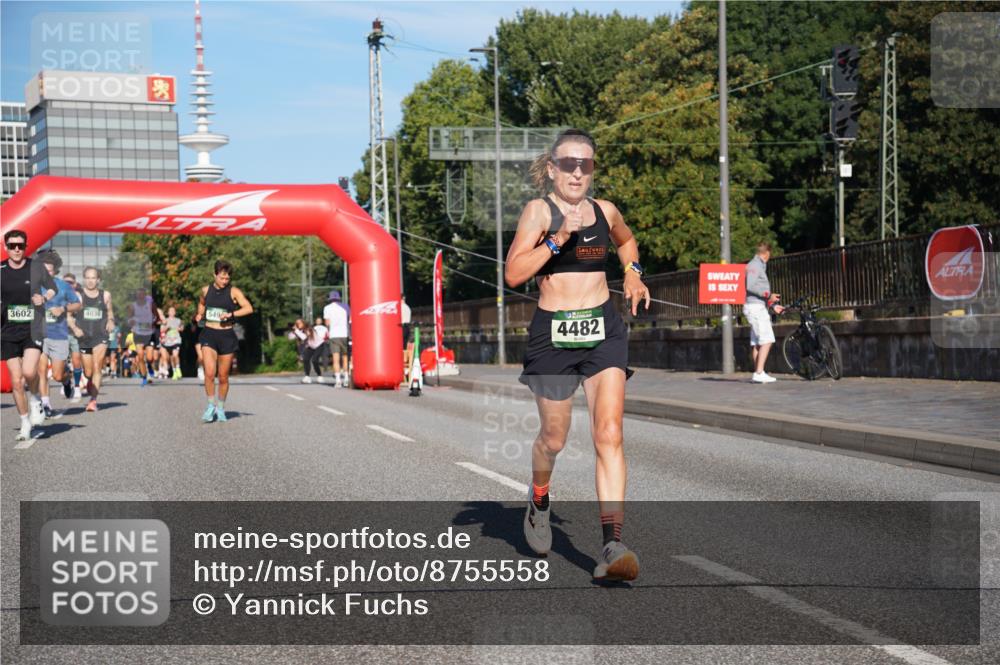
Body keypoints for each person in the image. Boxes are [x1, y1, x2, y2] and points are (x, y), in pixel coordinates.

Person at [504, 129, 650, 582]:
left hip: (603, 330)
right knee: (554, 437)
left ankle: (612, 544)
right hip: (553, 335)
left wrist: (633, 273)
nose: (577, 172)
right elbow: (513, 273)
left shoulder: (606, 212)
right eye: (568, 163)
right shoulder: (538, 212)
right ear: (552, 168)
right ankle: (539, 500)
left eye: (585, 163)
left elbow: (626, 243)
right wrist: (555, 240)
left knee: (609, 433)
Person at [1, 230, 58, 440]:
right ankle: (25, 422)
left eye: (20, 246)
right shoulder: (1, 270)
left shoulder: (35, 267)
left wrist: (44, 298)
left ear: (26, 247)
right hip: (7, 330)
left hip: (33, 328)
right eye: (13, 245)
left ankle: (35, 399)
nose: (17, 249)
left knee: (29, 372)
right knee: (16, 382)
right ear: (6, 247)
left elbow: (53, 289)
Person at [195, 260, 253, 423]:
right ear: (214, 275)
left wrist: (231, 315)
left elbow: (248, 308)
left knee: (223, 377)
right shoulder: (205, 290)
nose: (225, 281)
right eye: (222, 278)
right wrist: (200, 315)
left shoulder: (234, 292)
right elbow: (201, 305)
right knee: (209, 373)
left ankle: (220, 407)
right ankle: (210, 405)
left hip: (226, 335)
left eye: (227, 278)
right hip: (209, 334)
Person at [36, 251, 81, 418]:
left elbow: (77, 305)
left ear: (55, 271)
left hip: (59, 334)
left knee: (56, 375)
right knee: (41, 370)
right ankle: (46, 404)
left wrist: (63, 309)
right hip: (39, 334)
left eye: (50, 270)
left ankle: (66, 379)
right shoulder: (33, 285)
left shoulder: (63, 286)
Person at [74, 266, 115, 412]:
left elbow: (110, 312)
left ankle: (93, 400)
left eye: (94, 278)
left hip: (100, 335)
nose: (91, 281)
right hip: (84, 337)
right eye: (88, 278)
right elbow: (70, 315)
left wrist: (110, 321)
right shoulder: (78, 296)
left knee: (98, 366)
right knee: (88, 372)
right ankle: (90, 381)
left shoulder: (105, 295)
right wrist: (75, 329)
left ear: (98, 280)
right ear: (84, 279)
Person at [743, 242, 785, 384]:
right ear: (767, 253)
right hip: (755, 308)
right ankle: (759, 373)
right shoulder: (755, 265)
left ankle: (758, 372)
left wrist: (773, 306)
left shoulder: (757, 265)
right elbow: (750, 286)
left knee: (757, 343)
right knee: (767, 339)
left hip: (756, 306)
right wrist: (768, 295)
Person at [126, 287, 160, 386]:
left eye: (142, 295)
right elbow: (129, 319)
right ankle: (144, 377)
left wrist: (152, 322)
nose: (140, 297)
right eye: (138, 295)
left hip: (149, 334)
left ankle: (149, 366)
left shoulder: (151, 304)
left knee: (149, 358)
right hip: (138, 334)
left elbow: (157, 316)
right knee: (140, 356)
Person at [62, 273, 85, 402]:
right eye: (66, 282)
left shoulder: (78, 297)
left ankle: (76, 387)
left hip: (75, 333)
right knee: (61, 364)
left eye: (70, 282)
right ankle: (65, 382)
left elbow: (74, 311)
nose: (68, 284)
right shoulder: (58, 294)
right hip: (60, 333)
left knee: (76, 360)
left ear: (75, 284)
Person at [322, 290, 350, 387]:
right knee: (345, 357)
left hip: (334, 335)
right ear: (339, 298)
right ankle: (346, 378)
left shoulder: (327, 308)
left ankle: (338, 380)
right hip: (345, 334)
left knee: (336, 358)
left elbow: (327, 323)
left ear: (330, 299)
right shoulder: (345, 306)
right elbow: (349, 319)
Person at [293, 318, 329, 383]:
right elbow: (292, 337)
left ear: (303, 323)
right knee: (306, 359)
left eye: (299, 323)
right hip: (311, 346)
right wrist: (295, 332)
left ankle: (320, 376)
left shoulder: (309, 328)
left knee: (314, 360)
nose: (298, 324)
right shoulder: (300, 331)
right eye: (297, 323)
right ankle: (307, 377)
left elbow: (304, 337)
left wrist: (296, 331)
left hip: (319, 345)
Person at [161, 306, 184, 380]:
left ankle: (178, 368)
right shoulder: (165, 320)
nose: (172, 312)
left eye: (173, 311)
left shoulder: (178, 320)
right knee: (171, 357)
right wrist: (166, 327)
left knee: (175, 355)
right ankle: (174, 372)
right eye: (170, 311)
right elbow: (162, 330)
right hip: (168, 341)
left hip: (176, 340)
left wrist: (180, 328)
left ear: (175, 312)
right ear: (168, 313)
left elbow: (182, 328)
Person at [400, 295, 413, 382]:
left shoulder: (400, 308)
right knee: (404, 346)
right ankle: (404, 364)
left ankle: (401, 365)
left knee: (400, 347)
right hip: (407, 327)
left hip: (402, 327)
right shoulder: (408, 308)